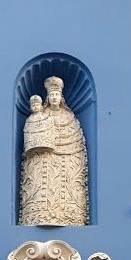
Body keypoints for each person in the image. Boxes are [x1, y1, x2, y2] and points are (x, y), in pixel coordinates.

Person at [18, 76, 89, 227]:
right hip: (44, 158)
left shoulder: (69, 116)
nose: (54, 97)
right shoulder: (41, 115)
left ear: (61, 97)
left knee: (67, 182)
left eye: (57, 94)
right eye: (52, 95)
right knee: (41, 181)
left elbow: (77, 140)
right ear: (48, 98)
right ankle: (39, 213)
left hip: (68, 157)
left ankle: (68, 214)